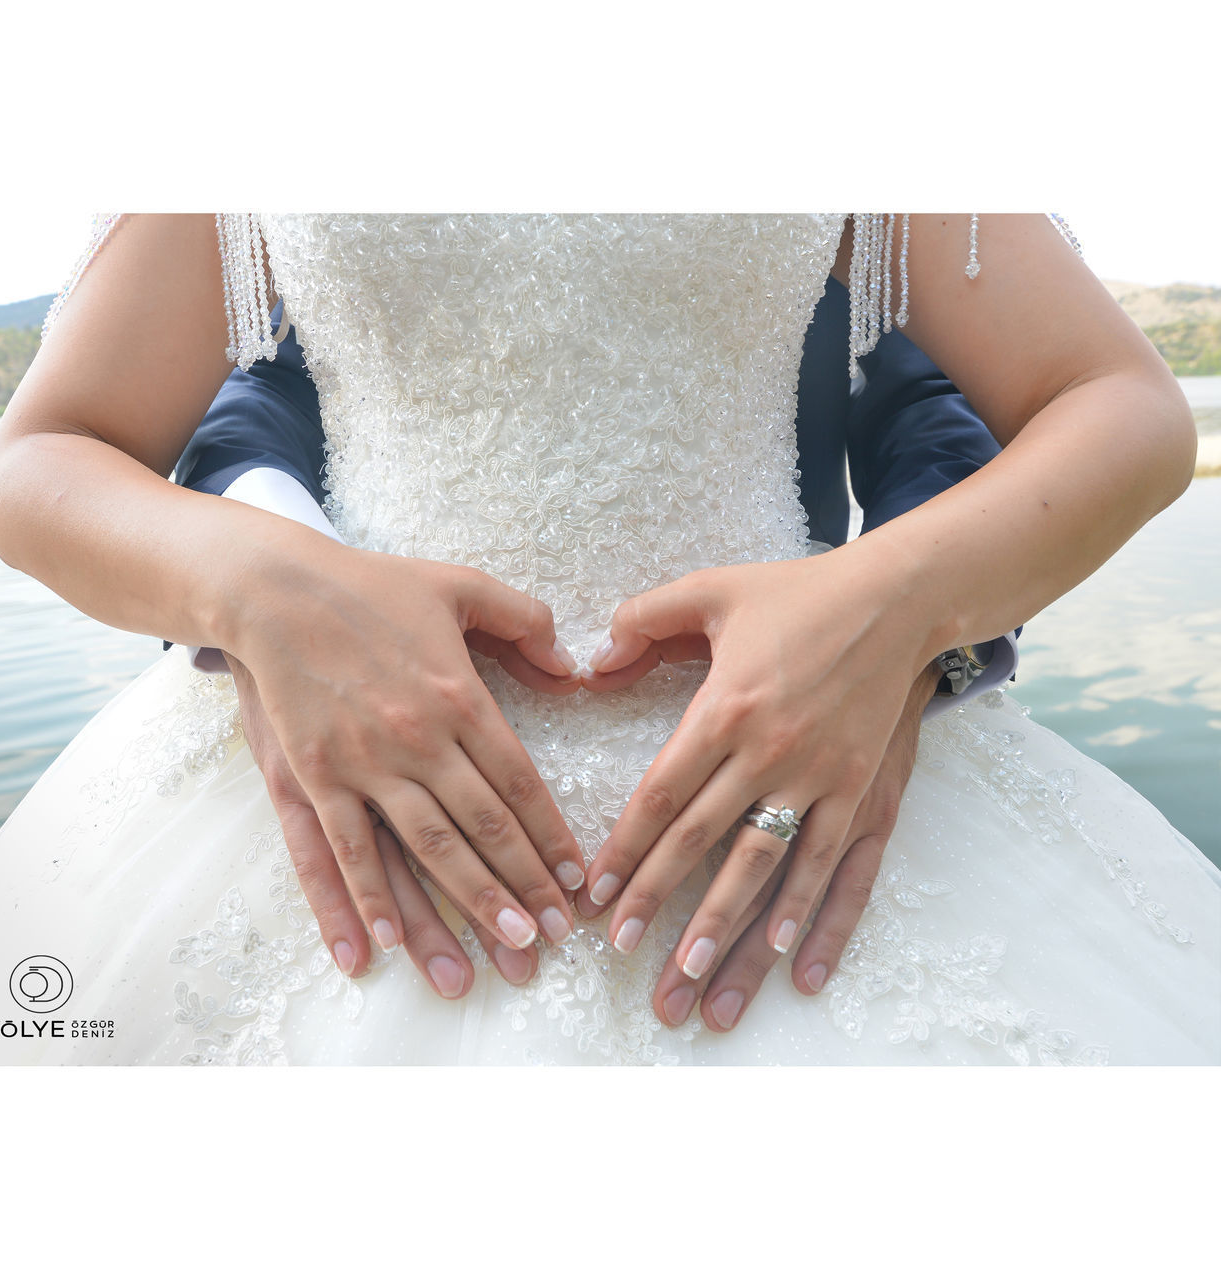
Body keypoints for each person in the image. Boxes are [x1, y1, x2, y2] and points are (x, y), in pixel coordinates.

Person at [0, 212, 1217, 1066]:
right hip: (348, 768)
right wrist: (258, 594)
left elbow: (1114, 405)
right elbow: (54, 454)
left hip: (800, 747)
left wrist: (896, 614)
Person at [168, 277, 1015, 1022]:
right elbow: (246, 404)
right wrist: (271, 605)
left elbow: (942, 407)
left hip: (812, 724)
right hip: (364, 737)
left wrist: (906, 627)